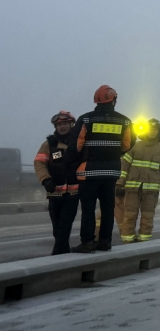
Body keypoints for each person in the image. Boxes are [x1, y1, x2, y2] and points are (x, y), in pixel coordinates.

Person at [66, 85, 134, 253]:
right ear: (113, 100)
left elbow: (76, 146)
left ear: (96, 100)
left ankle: (88, 242)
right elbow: (128, 144)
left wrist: (72, 164)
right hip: (111, 172)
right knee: (107, 208)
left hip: (88, 172)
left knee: (88, 209)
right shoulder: (124, 121)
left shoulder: (86, 120)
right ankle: (105, 241)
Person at [34, 111, 81, 255]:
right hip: (55, 193)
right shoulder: (49, 144)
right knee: (57, 228)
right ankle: (64, 253)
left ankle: (58, 254)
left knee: (64, 226)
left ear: (71, 124)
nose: (62, 127)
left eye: (65, 123)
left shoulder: (79, 142)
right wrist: (45, 179)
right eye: (59, 124)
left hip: (73, 193)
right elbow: (39, 162)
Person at [117, 118, 160, 242]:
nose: (153, 132)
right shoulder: (135, 146)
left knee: (148, 216)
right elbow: (124, 166)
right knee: (130, 215)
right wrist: (120, 183)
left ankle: (144, 240)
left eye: (155, 130)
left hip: (151, 191)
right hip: (132, 189)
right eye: (151, 129)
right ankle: (127, 240)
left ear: (159, 132)